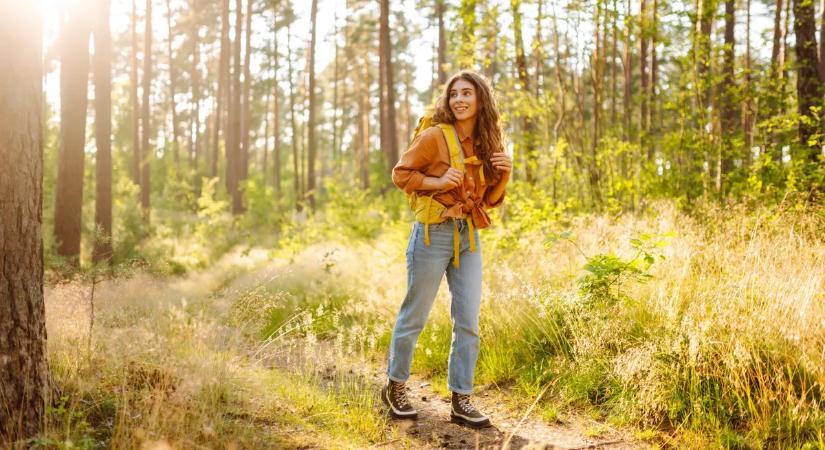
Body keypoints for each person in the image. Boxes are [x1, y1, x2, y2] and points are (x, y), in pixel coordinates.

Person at [382, 70, 512, 428]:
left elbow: (490, 200)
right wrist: (437, 181)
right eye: (454, 94)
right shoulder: (434, 136)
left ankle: (462, 399)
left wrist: (504, 175)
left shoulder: (487, 142)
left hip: (469, 236)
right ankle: (396, 386)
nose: (459, 100)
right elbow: (401, 174)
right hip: (431, 234)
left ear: (481, 99)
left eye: (467, 93)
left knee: (468, 320)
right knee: (415, 316)